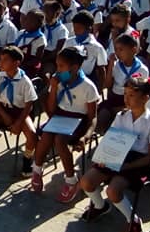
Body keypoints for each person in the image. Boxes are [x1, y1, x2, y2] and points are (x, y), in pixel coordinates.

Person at [79, 74, 150, 232]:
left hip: (139, 164)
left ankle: (133, 220)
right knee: (86, 182)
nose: (126, 98)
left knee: (113, 190)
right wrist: (103, 156)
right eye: (125, 94)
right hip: (118, 155)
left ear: (145, 97)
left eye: (131, 95)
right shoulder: (121, 116)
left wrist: (126, 166)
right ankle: (100, 206)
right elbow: (111, 139)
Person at [30, 46, 99, 202]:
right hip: (60, 116)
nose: (58, 70)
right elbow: (51, 110)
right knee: (46, 135)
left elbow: (93, 117)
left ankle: (71, 180)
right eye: (57, 65)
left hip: (79, 120)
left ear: (74, 68)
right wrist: (54, 88)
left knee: (60, 140)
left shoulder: (88, 87)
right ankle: (37, 169)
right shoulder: (59, 81)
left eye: (61, 66)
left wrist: (86, 136)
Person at [0, 45, 39, 173]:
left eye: (5, 60)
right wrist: (4, 115)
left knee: (32, 135)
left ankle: (27, 159)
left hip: (20, 112)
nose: (1, 62)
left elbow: (29, 105)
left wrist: (18, 123)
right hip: (2, 110)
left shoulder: (25, 81)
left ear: (16, 63)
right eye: (1, 59)